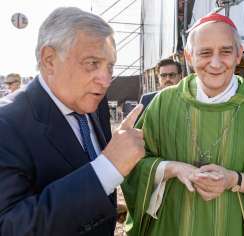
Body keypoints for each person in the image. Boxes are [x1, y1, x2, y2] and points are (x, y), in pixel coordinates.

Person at [122, 13, 244, 235]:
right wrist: (171, 168)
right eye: (205, 53)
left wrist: (236, 180)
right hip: (172, 225)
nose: (215, 63)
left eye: (226, 51)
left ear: (239, 54)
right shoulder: (163, 104)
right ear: (189, 56)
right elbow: (131, 168)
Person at [0, 7, 145, 236]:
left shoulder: (93, 104)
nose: (106, 80)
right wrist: (107, 169)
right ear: (49, 60)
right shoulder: (6, 124)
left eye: (110, 66)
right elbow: (12, 227)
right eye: (92, 63)